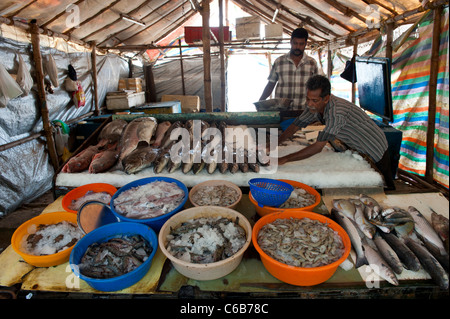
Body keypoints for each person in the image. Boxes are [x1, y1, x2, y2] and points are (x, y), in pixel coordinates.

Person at [277, 75, 395, 190]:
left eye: (314, 100)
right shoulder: (314, 106)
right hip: (354, 144)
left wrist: (285, 159)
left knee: (383, 183)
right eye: (307, 99)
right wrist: (275, 143)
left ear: (326, 98)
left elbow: (318, 147)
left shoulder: (336, 112)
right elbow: (295, 126)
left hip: (373, 145)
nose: (309, 104)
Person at [259, 28, 319, 111]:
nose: (297, 47)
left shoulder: (312, 63)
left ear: (305, 44)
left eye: (301, 44)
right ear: (291, 42)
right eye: (295, 43)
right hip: (282, 111)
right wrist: (261, 102)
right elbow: (271, 84)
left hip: (303, 111)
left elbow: (316, 88)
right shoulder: (279, 61)